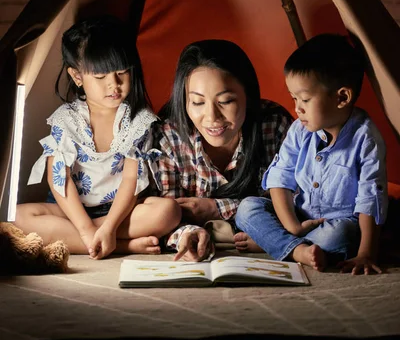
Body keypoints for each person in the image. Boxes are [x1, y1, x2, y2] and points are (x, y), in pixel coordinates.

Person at [16, 15, 181, 259]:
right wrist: (85, 230)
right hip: (72, 211)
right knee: (18, 217)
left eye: (122, 73)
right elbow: (60, 180)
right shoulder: (66, 119)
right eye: (101, 77)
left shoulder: (137, 119)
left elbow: (131, 180)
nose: (113, 85)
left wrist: (110, 226)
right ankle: (120, 245)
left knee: (168, 212)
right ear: (77, 77)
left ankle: (106, 237)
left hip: (120, 211)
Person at [235, 34, 388, 274]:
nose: (297, 108)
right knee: (247, 208)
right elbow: (280, 177)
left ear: (342, 97)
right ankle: (294, 247)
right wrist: (293, 226)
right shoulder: (300, 129)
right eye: (294, 98)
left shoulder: (366, 138)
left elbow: (371, 197)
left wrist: (366, 254)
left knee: (341, 237)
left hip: (338, 223)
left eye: (305, 99)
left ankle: (273, 242)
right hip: (299, 216)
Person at [151, 39, 293, 261]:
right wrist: (188, 234)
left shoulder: (274, 124)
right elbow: (168, 215)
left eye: (225, 101)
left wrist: (216, 208)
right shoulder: (169, 134)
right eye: (197, 103)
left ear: (248, 95)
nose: (211, 118)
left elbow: (299, 203)